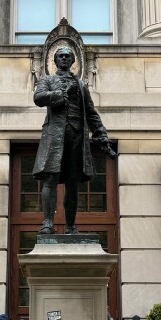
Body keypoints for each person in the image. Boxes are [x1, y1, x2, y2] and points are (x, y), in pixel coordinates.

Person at [33, 45, 115, 234]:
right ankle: (47, 223)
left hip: (77, 136)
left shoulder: (81, 85)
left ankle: (70, 226)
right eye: (60, 56)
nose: (63, 58)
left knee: (72, 182)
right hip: (55, 136)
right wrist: (62, 94)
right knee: (50, 178)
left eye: (67, 56)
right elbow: (38, 98)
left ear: (72, 61)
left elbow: (92, 114)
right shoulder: (48, 80)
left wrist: (101, 135)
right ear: (55, 61)